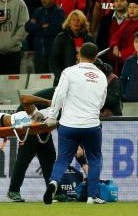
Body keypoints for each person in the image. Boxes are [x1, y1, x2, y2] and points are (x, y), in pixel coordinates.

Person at [43, 42, 107, 205]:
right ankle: (92, 196)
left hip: (69, 124)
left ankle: (53, 183)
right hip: (91, 125)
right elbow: (101, 103)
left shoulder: (69, 72)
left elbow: (59, 94)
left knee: (63, 159)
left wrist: (52, 115)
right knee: (94, 159)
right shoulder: (101, 76)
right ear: (95, 57)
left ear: (79, 55)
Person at [25, 0, 65, 73]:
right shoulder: (38, 11)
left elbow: (54, 30)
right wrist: (41, 26)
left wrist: (36, 29)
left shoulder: (59, 12)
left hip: (54, 56)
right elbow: (27, 27)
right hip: (39, 55)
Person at [50, 9, 92, 85]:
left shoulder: (88, 38)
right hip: (64, 79)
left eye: (79, 20)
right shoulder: (61, 37)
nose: (76, 22)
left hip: (83, 79)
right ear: (69, 23)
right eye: (73, 20)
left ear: (82, 23)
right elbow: (53, 61)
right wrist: (61, 78)